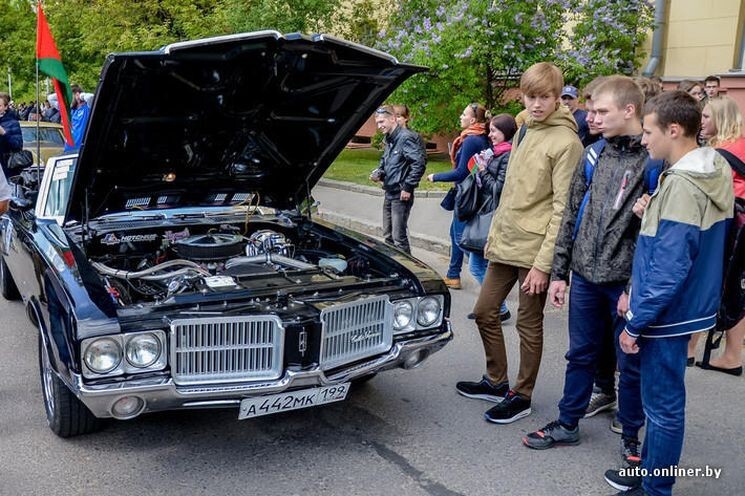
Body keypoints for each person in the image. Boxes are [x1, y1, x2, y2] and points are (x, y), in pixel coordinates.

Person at [604, 90, 734, 496]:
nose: (643, 140)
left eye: (648, 131)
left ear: (673, 130)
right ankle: (652, 477)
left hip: (667, 312)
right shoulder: (711, 168)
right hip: (689, 305)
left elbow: (669, 266)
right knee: (664, 404)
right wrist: (653, 209)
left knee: (661, 408)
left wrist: (636, 322)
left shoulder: (681, 184)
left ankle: (654, 489)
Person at [522, 77, 651, 474]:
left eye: (601, 112)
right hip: (584, 279)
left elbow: (655, 236)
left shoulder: (653, 161)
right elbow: (568, 217)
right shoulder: (593, 155)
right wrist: (559, 272)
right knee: (579, 355)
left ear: (629, 111)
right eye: (591, 111)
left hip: (625, 284)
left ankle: (632, 436)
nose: (591, 118)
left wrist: (634, 286)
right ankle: (567, 422)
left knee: (629, 363)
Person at [455, 62, 583, 424]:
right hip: (507, 243)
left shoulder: (566, 142)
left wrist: (545, 264)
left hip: (535, 251)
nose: (536, 103)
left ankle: (521, 395)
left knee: (529, 324)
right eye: (530, 96)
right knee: (484, 311)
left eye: (544, 97)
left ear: (558, 98)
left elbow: (562, 209)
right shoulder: (525, 128)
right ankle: (496, 381)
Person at [694, 95, 745, 376]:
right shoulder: (741, 144)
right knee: (733, 288)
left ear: (721, 119)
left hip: (731, 225)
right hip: (739, 224)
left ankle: (693, 349)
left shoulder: (721, 153)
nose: (701, 121)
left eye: (706, 117)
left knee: (716, 284)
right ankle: (731, 355)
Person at [426, 103, 490, 289]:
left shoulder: (471, 140)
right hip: (473, 193)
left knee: (465, 242)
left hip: (467, 195)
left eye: (464, 114)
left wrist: (436, 176)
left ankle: (491, 283)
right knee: (456, 235)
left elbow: (462, 172)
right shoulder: (481, 137)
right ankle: (453, 275)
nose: (460, 117)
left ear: (472, 120)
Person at [462, 114, 517, 322]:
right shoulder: (495, 153)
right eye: (490, 130)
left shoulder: (508, 156)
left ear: (506, 132)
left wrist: (483, 171)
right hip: (484, 212)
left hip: (492, 216)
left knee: (477, 266)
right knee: (479, 264)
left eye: (494, 130)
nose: (490, 134)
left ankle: (497, 306)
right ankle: (492, 306)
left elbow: (498, 189)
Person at [370, 105, 426, 254]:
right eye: (377, 123)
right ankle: (393, 267)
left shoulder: (406, 137)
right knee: (388, 236)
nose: (379, 126)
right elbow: (386, 162)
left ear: (393, 119)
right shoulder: (389, 138)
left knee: (398, 237)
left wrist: (408, 187)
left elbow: (419, 163)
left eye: (382, 122)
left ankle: (409, 270)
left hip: (400, 194)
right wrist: (379, 173)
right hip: (389, 191)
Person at [0, 92, 23, 177]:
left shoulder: (13, 123)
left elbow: (18, 145)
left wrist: (4, 133)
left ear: (5, 107)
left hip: (5, 169)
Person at [64, 84, 91, 152]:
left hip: (82, 147)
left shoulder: (88, 107)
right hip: (69, 147)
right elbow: (51, 98)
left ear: (77, 95)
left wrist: (81, 95)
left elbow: (91, 97)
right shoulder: (72, 110)